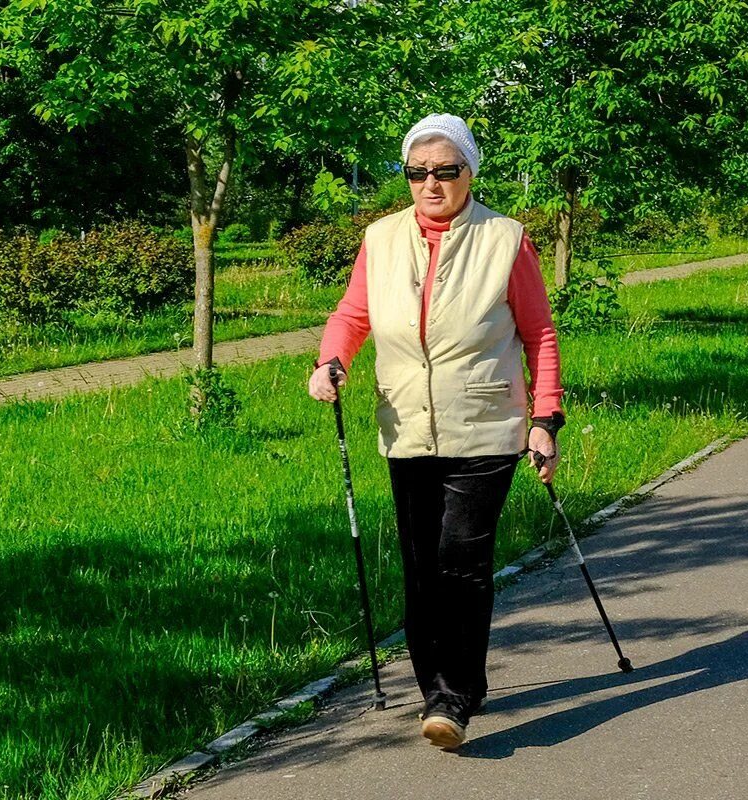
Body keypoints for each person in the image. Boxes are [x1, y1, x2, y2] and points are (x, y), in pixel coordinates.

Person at [306, 113, 565, 751]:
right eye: (417, 171)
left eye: (445, 170)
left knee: (461, 559)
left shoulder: (506, 240)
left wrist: (545, 418)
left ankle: (456, 691)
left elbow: (540, 333)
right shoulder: (382, 238)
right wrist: (330, 360)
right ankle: (437, 688)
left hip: (485, 428)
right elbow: (352, 313)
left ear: (469, 173)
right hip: (407, 428)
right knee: (421, 567)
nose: (431, 182)